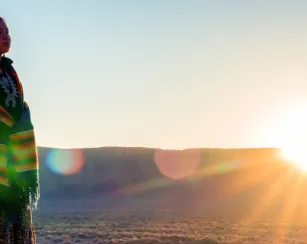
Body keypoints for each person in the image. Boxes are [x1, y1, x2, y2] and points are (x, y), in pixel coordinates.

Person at [0, 17, 39, 243]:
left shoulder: (11, 73)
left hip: (15, 164)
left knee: (17, 224)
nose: (6, 35)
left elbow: (18, 108)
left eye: (7, 30)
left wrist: (22, 116)